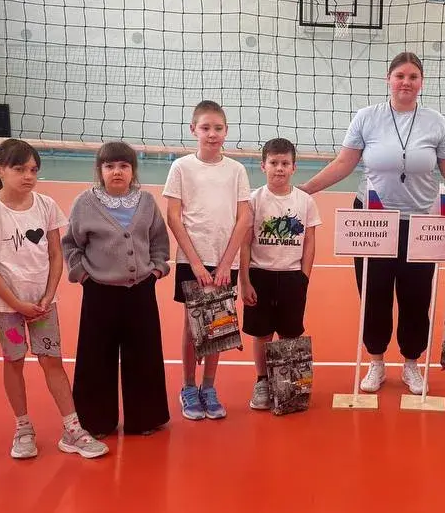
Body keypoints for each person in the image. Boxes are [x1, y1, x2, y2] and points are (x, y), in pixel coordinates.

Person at [299, 51, 445, 395]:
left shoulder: (435, 122)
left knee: (416, 297)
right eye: (400, 76)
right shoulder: (367, 117)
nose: (406, 82)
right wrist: (305, 189)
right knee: (374, 294)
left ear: (421, 82)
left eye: (413, 77)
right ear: (388, 79)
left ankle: (412, 364)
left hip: (422, 224)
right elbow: (344, 163)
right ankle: (376, 362)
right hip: (373, 220)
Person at [0, 138, 107, 460]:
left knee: (52, 361)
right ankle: (23, 428)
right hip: (6, 307)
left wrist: (47, 295)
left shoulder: (46, 206)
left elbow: (56, 255)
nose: (28, 176)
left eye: (33, 170)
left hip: (43, 305)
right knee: (14, 361)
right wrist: (17, 304)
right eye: (20, 169)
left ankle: (72, 429)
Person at [61, 141, 171, 437]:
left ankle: (145, 418)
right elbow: (71, 245)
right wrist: (82, 274)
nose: (116, 171)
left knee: (144, 354)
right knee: (96, 356)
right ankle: (96, 420)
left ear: (133, 170)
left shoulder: (146, 202)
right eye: (109, 166)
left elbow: (159, 240)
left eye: (123, 166)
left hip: (141, 290)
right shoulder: (85, 203)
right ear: (100, 170)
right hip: (99, 291)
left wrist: (157, 268)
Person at [163, 100, 252, 420]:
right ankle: (189, 386)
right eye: (205, 128)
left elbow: (244, 218)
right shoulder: (181, 167)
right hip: (192, 260)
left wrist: (226, 263)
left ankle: (209, 387)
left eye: (218, 128)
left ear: (226, 131)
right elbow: (173, 217)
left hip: (225, 261)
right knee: (192, 325)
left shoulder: (236, 170)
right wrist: (197, 264)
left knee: (218, 325)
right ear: (193, 130)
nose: (212, 134)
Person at [239, 138, 322, 410]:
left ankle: (286, 384)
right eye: (273, 163)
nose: (279, 168)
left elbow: (310, 241)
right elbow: (245, 242)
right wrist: (245, 280)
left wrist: (304, 277)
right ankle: (262, 380)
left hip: (291, 276)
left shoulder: (305, 201)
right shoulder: (253, 200)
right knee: (261, 333)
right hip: (260, 275)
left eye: (285, 163)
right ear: (263, 166)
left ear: (294, 167)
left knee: (289, 332)